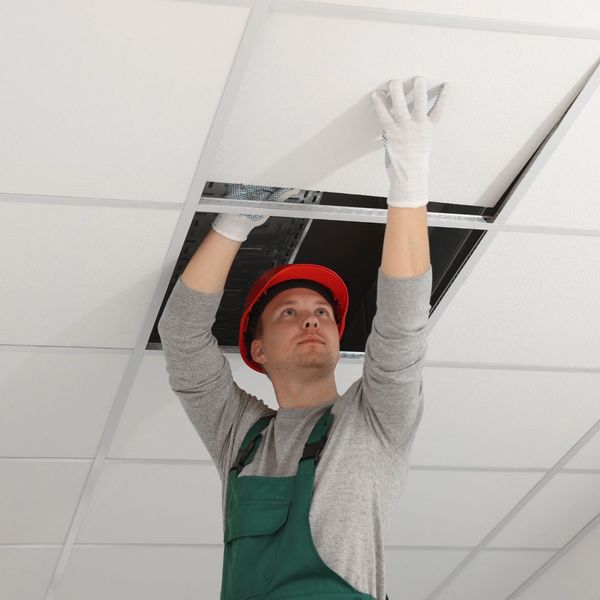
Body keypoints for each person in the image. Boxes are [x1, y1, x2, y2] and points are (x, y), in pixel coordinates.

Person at [158, 75, 450, 600]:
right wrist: (235, 222)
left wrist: (410, 176)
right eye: (288, 312)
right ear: (258, 351)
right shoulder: (239, 438)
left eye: (321, 311)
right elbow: (181, 336)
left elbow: (402, 325)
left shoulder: (378, 419)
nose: (311, 319)